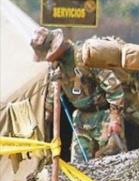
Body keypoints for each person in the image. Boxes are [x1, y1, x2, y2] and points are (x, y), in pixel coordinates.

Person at [30, 28, 130, 164]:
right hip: (80, 119)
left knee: (113, 162)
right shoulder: (57, 67)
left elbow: (114, 88)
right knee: (79, 166)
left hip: (104, 116)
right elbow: (52, 98)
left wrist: (115, 118)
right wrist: (45, 117)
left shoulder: (85, 56)